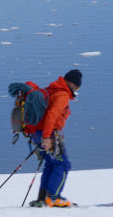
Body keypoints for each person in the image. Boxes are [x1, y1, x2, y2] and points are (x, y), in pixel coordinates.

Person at [28, 69, 82, 208]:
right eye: (76, 86)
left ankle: (43, 199)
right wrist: (47, 137)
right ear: (71, 83)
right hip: (49, 134)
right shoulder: (62, 94)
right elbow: (52, 115)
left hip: (38, 133)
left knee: (51, 165)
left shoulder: (52, 89)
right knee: (62, 165)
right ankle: (54, 197)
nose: (76, 89)